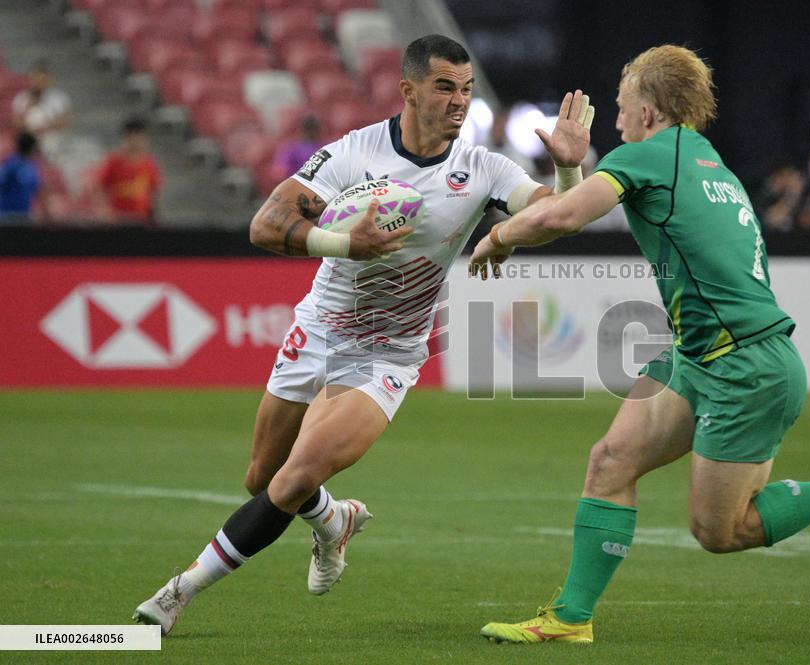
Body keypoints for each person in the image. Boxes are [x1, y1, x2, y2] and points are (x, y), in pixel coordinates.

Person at [133, 34, 596, 636]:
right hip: (319, 327)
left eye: (466, 89)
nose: (459, 101)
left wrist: (566, 168)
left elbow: (554, 216)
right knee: (261, 478)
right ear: (408, 90)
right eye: (444, 87)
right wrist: (343, 243)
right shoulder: (354, 154)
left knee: (292, 480)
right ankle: (333, 520)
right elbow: (266, 224)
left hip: (390, 352)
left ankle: (178, 592)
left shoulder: (483, 168)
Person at [469, 44, 810, 645]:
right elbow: (572, 205)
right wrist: (571, 168)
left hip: (745, 367)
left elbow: (559, 219)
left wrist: (497, 234)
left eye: (623, 108)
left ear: (650, 112)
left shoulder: (648, 155)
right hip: (699, 353)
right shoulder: (702, 157)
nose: (618, 121)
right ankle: (570, 620)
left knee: (720, 531)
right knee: (610, 460)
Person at [91, 117, 162, 226]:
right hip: (117, 219)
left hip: (141, 219)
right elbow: (97, 187)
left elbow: (153, 191)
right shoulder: (113, 162)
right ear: (126, 138)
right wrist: (103, 211)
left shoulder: (149, 164)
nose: (137, 143)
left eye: (141, 139)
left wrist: (153, 215)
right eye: (134, 139)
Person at [11, 60, 71, 157]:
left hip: (53, 141)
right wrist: (29, 106)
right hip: (29, 141)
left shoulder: (59, 98)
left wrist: (46, 127)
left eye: (42, 80)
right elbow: (16, 123)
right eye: (36, 79)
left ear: (49, 79)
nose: (39, 83)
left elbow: (64, 122)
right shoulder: (22, 98)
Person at [0, 132, 43, 223]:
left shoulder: (31, 167)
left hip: (22, 217)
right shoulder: (11, 165)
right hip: (7, 218)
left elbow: (38, 190)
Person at [271, 113, 323, 180]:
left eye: (313, 129)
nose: (311, 132)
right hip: (297, 184)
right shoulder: (291, 150)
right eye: (308, 129)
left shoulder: (322, 149)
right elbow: (280, 171)